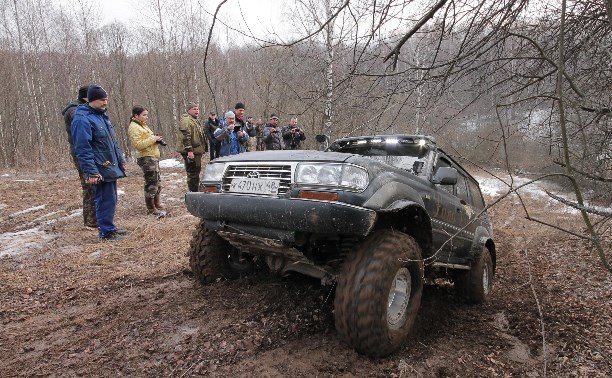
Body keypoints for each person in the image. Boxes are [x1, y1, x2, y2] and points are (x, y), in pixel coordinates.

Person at [71, 85, 128, 241]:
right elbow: (83, 148)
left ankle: (110, 227)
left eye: (106, 99)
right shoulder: (82, 120)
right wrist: (91, 171)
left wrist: (120, 161)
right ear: (91, 100)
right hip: (99, 166)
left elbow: (112, 142)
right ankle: (106, 232)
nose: (105, 102)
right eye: (102, 99)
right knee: (104, 198)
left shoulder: (102, 115)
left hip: (110, 164)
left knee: (111, 198)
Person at [62, 85, 98, 229]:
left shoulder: (82, 110)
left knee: (94, 186)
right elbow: (83, 134)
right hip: (82, 153)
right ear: (86, 97)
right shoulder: (75, 112)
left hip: (89, 152)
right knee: (90, 186)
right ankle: (91, 221)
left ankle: (94, 219)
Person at [127, 105, 165, 215]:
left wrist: (156, 140)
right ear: (136, 115)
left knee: (157, 182)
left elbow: (147, 140)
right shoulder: (134, 127)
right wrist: (153, 138)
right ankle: (151, 208)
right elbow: (138, 145)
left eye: (147, 115)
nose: (146, 117)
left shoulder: (143, 126)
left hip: (152, 156)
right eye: (144, 115)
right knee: (151, 183)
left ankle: (156, 203)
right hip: (146, 158)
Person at [175, 102, 207, 192]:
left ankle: (195, 190)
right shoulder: (186, 120)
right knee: (193, 173)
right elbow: (186, 136)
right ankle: (194, 193)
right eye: (194, 109)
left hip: (196, 151)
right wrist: (189, 150)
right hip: (191, 152)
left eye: (197, 109)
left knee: (196, 172)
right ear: (188, 110)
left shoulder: (194, 120)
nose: (196, 111)